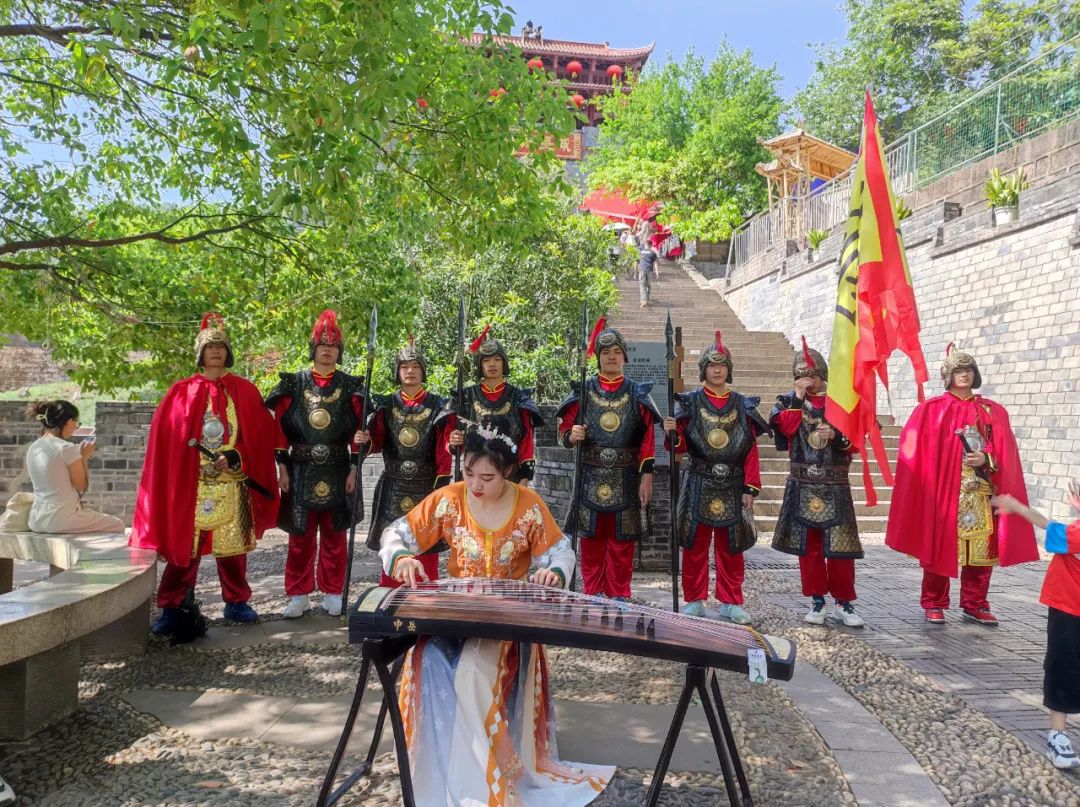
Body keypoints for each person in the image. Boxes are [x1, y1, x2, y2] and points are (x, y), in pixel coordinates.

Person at [378, 427, 612, 805]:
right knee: (426, 658)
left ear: (507, 472)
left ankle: (484, 773)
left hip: (506, 620)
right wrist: (402, 557)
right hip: (456, 613)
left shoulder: (528, 505)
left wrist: (553, 573)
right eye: (469, 473)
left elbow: (561, 552)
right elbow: (395, 533)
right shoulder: (449, 499)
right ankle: (437, 766)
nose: (475, 484)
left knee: (472, 671)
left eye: (487, 477)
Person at [130, 313, 280, 634]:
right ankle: (172, 605)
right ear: (200, 352)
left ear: (228, 352)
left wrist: (235, 456)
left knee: (234, 549)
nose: (215, 351)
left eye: (221, 346)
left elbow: (258, 437)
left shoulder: (245, 390)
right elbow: (168, 441)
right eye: (210, 346)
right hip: (193, 484)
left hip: (232, 482)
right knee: (186, 550)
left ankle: (237, 601)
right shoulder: (181, 392)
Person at [886, 343, 1037, 625]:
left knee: (981, 552)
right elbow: (915, 452)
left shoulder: (992, 411)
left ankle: (975, 604)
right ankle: (934, 602)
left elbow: (1004, 450)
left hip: (980, 492)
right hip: (944, 494)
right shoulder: (931, 410)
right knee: (938, 550)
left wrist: (986, 458)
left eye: (968, 370)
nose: (964, 375)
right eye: (958, 370)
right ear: (948, 376)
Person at [265, 310, 366, 618]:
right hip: (300, 468)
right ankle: (298, 594)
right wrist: (282, 467)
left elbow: (360, 432)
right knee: (300, 536)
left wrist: (354, 468)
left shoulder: (352, 387)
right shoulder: (294, 384)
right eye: (323, 345)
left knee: (335, 536)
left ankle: (333, 592)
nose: (327, 350)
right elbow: (279, 430)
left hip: (338, 469)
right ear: (314, 348)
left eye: (333, 346)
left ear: (339, 351)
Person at [662, 332, 768, 624]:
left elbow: (750, 450)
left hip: (732, 483)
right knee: (694, 545)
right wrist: (672, 431)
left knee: (731, 548)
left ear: (728, 369)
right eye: (711, 365)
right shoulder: (690, 403)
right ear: (704, 369)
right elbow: (678, 447)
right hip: (698, 480)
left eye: (722, 365)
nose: (717, 370)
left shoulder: (742, 405)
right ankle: (694, 600)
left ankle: (731, 601)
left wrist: (750, 488)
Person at [557, 319, 658, 599]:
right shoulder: (583, 391)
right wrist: (572, 434)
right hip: (590, 474)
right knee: (590, 539)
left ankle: (619, 594)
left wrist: (647, 476)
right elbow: (564, 428)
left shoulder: (638, 393)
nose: (611, 357)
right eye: (605, 352)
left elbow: (648, 439)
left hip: (626, 475)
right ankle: (592, 593)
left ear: (624, 355)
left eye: (616, 351)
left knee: (622, 540)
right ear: (598, 357)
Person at [770, 338, 866, 627]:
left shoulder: (842, 402)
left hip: (835, 484)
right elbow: (787, 429)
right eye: (801, 375)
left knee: (840, 547)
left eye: (811, 374)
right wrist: (798, 398)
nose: (807, 379)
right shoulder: (786, 402)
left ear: (822, 374)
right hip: (803, 484)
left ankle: (844, 602)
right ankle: (817, 600)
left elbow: (857, 442)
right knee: (809, 548)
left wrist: (836, 436)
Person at [356, 336, 455, 588]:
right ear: (397, 372)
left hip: (426, 486)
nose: (410, 371)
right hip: (393, 484)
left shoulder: (439, 406)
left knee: (426, 544)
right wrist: (365, 440)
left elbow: (444, 450)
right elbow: (376, 441)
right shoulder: (386, 405)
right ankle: (390, 600)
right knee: (392, 543)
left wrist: (441, 488)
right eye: (404, 367)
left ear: (423, 371)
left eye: (415, 366)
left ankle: (426, 602)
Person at [994, 483, 1080, 769]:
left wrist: (1016, 507)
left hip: (1068, 610)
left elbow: (1048, 526)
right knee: (1064, 668)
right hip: (1069, 609)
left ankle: (1058, 735)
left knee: (1062, 667)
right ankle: (1058, 737)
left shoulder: (1075, 535)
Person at [453, 325, 543, 485]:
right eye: (486, 360)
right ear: (480, 365)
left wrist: (524, 478)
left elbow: (526, 441)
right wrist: (454, 441)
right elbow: (453, 440)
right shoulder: (465, 397)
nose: (492, 364)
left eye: (497, 359)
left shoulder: (519, 397)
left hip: (510, 474)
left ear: (504, 362)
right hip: (474, 476)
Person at [23, 400, 124, 534]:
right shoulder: (66, 447)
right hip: (61, 519)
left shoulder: (34, 447)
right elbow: (81, 486)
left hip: (36, 519)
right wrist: (84, 457)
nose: (76, 427)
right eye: (76, 423)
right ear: (68, 421)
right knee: (117, 525)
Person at [633, 216, 659, 308]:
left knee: (642, 284)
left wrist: (635, 272)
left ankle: (644, 300)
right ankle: (646, 299)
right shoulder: (648, 227)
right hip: (649, 266)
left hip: (643, 264)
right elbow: (650, 232)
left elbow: (640, 234)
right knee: (648, 285)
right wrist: (657, 272)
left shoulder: (644, 227)